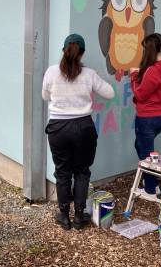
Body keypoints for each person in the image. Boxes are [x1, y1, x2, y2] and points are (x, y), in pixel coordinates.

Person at [42, 34, 114, 230]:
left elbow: (44, 95)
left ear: (64, 50)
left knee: (62, 171)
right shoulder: (89, 74)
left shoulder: (51, 72)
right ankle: (79, 216)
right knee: (82, 171)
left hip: (58, 128)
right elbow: (110, 93)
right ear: (82, 53)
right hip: (83, 127)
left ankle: (64, 215)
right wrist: (94, 79)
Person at [130, 33, 161, 198]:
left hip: (148, 118)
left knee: (145, 152)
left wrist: (133, 77)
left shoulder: (153, 70)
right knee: (141, 146)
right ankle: (151, 177)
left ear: (150, 49)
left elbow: (140, 94)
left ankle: (151, 189)